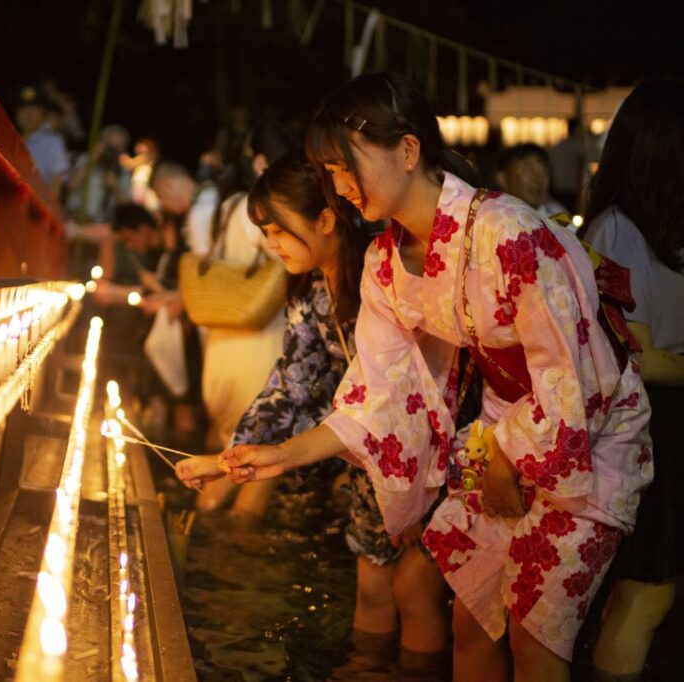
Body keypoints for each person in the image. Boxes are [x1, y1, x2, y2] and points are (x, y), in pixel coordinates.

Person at [219, 72, 652, 682]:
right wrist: (278, 455)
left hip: (588, 433)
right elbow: (376, 398)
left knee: (535, 634)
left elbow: (574, 372)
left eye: (346, 166)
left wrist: (507, 462)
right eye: (330, 173)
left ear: (408, 149)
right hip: (504, 434)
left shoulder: (507, 231)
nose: (340, 187)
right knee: (471, 620)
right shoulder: (384, 266)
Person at [177, 150, 450, 674]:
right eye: (265, 231)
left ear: (326, 219)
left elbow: (417, 388)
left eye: (277, 229)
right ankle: (367, 669)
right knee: (372, 582)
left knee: (415, 591)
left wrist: (411, 485)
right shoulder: (308, 290)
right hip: (367, 455)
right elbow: (294, 380)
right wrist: (231, 456)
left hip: (424, 456)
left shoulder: (382, 274)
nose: (268, 242)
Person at [581, 79, 684, 682]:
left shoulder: (661, 225)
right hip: (648, 425)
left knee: (646, 588)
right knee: (645, 591)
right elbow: (644, 359)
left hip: (674, 423)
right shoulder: (615, 230)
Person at [149, 161, 286, 512]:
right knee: (259, 453)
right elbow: (280, 261)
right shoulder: (262, 209)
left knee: (227, 441)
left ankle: (201, 515)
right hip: (259, 340)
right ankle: (232, 532)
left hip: (221, 346)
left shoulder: (218, 210)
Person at [14, 85, 70, 200]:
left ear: (42, 114)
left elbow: (57, 183)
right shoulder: (10, 141)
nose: (29, 114)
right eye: (24, 108)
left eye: (34, 109)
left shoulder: (53, 142)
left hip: (36, 210)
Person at [496, 144, 568, 221]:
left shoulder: (558, 216)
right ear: (503, 179)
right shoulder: (491, 220)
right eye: (528, 169)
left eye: (544, 170)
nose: (539, 179)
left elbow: (572, 229)